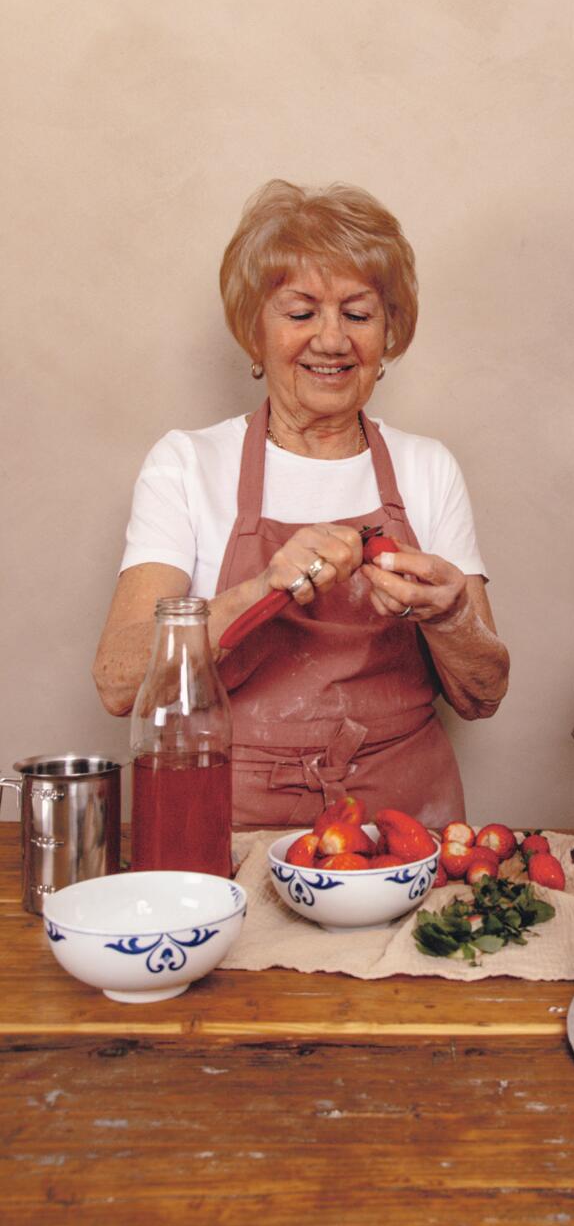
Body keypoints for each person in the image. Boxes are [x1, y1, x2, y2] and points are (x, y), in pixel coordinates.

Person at [94, 180, 509, 828]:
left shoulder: (427, 467)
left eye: (358, 313)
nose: (332, 340)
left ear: (387, 333)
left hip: (404, 823)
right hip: (230, 822)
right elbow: (119, 680)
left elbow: (482, 695)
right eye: (300, 312)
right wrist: (260, 590)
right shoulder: (187, 463)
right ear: (253, 329)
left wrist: (450, 613)